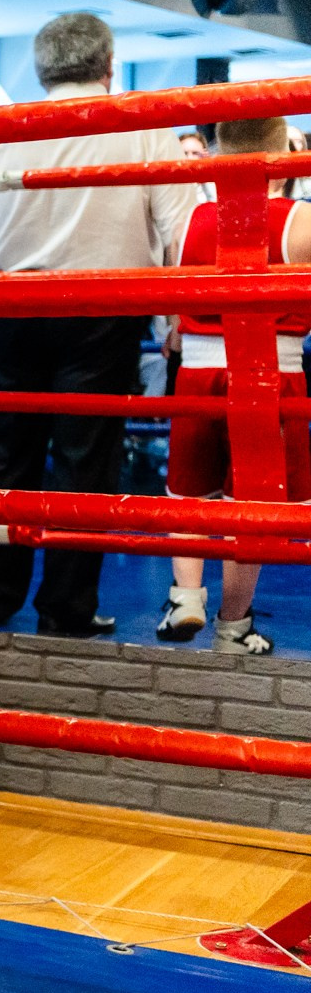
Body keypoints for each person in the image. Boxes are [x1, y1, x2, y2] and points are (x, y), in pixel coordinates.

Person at [0, 14, 196, 636]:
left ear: (42, 68)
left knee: (2, 454)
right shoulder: (142, 127)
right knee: (84, 463)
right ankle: (67, 608)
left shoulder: (3, 126)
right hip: (102, 313)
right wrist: (177, 314)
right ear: (108, 62)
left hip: (14, 308)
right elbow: (184, 231)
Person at [158, 115, 311, 653]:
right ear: (283, 153)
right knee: (254, 507)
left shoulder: (193, 220)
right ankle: (234, 624)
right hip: (273, 376)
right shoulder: (299, 222)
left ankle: (186, 596)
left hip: (198, 373)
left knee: (189, 494)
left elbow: (176, 304)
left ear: (221, 150)